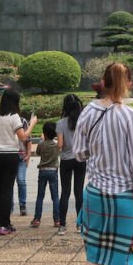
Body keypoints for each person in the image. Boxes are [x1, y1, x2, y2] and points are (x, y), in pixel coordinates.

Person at [73, 62, 133, 265]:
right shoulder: (130, 115)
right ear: (128, 84)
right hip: (125, 198)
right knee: (123, 258)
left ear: (103, 83)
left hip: (95, 195)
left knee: (94, 256)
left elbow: (79, 153)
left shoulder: (88, 111)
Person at [0, 89, 37, 235]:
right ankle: (5, 224)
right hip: (10, 156)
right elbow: (23, 137)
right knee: (6, 190)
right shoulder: (14, 117)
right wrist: (32, 124)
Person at [56, 94, 87, 235]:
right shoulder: (83, 122)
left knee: (65, 192)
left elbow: (60, 144)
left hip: (66, 160)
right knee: (79, 192)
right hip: (80, 159)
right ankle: (80, 225)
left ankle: (62, 225)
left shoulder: (61, 123)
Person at [30, 121, 61, 228]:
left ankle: (37, 219)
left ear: (44, 133)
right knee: (55, 196)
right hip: (53, 171)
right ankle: (57, 219)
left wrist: (42, 140)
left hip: (42, 171)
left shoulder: (41, 144)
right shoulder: (57, 145)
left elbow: (38, 153)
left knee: (40, 195)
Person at [11, 114, 32, 216]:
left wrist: (28, 154)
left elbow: (28, 139)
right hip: (9, 156)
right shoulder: (6, 120)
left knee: (21, 180)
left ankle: (22, 205)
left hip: (21, 156)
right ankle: (10, 205)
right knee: (9, 182)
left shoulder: (22, 121)